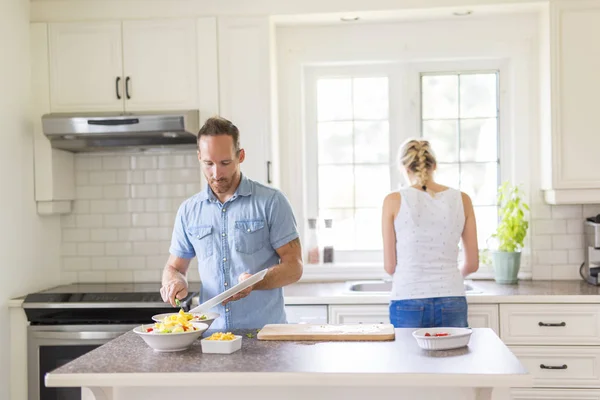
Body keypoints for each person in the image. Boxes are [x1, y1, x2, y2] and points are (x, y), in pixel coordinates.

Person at [160, 116, 303, 330]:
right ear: (199, 157)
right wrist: (174, 281)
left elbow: (294, 267)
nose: (216, 173)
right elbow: (174, 267)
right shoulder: (189, 211)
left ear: (240, 156)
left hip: (265, 337)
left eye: (225, 163)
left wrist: (256, 282)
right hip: (211, 338)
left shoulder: (272, 202)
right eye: (208, 163)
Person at [381, 139, 479, 328]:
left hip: (407, 298)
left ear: (404, 167)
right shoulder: (462, 199)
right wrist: (449, 276)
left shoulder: (393, 200)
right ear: (434, 165)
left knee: (407, 358)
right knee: (453, 358)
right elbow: (472, 264)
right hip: (453, 297)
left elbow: (390, 266)